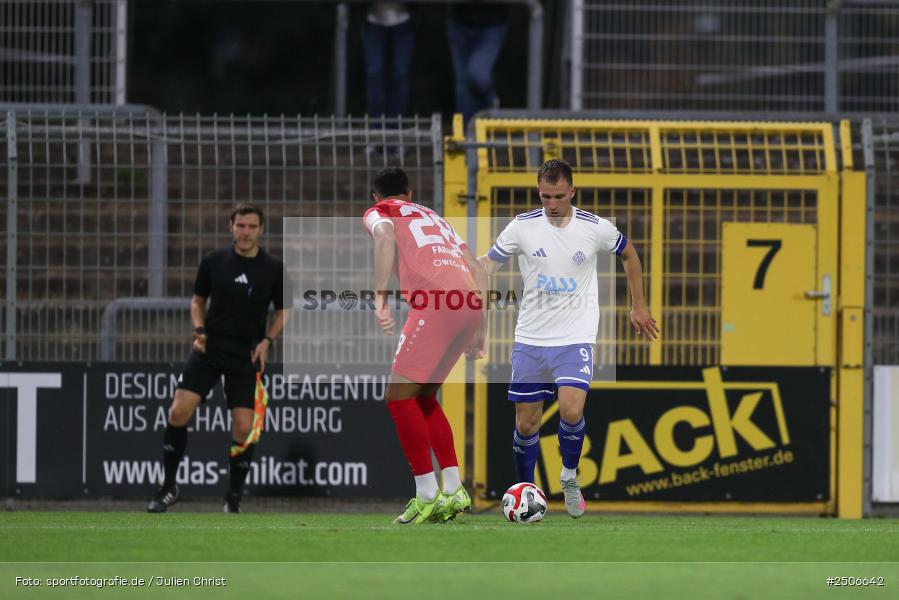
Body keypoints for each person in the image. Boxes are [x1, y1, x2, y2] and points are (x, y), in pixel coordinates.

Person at [479, 159, 659, 518]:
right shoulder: (521, 227)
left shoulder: (595, 228)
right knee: (526, 423)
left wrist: (638, 306)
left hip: (575, 336)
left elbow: (630, 255)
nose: (552, 204)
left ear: (572, 191)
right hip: (530, 337)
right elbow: (487, 265)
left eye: (559, 196)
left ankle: (569, 476)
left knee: (571, 409)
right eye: (546, 196)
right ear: (539, 193)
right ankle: (525, 492)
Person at [363, 167, 486, 524]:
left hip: (436, 301)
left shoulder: (380, 212)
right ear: (410, 191)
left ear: (375, 196)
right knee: (424, 397)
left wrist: (379, 297)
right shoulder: (435, 217)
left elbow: (385, 239)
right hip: (469, 304)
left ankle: (426, 492)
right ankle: (454, 487)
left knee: (398, 396)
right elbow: (478, 267)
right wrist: (483, 329)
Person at [147, 204, 289, 514]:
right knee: (178, 411)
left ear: (261, 230)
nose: (246, 232)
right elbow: (197, 302)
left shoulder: (273, 268)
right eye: (240, 225)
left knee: (243, 426)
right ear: (231, 227)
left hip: (246, 353)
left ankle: (233, 498)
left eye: (252, 226)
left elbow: (283, 313)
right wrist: (199, 330)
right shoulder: (214, 261)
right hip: (209, 348)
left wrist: (267, 341)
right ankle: (168, 487)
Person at [446, 2, 510, 124]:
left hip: (493, 22)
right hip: (458, 21)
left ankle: (489, 102)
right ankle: (468, 138)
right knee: (462, 88)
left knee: (478, 76)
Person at [362, 3, 414, 118]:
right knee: (375, 73)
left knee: (401, 74)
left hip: (403, 21)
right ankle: (376, 126)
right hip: (373, 21)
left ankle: (396, 125)